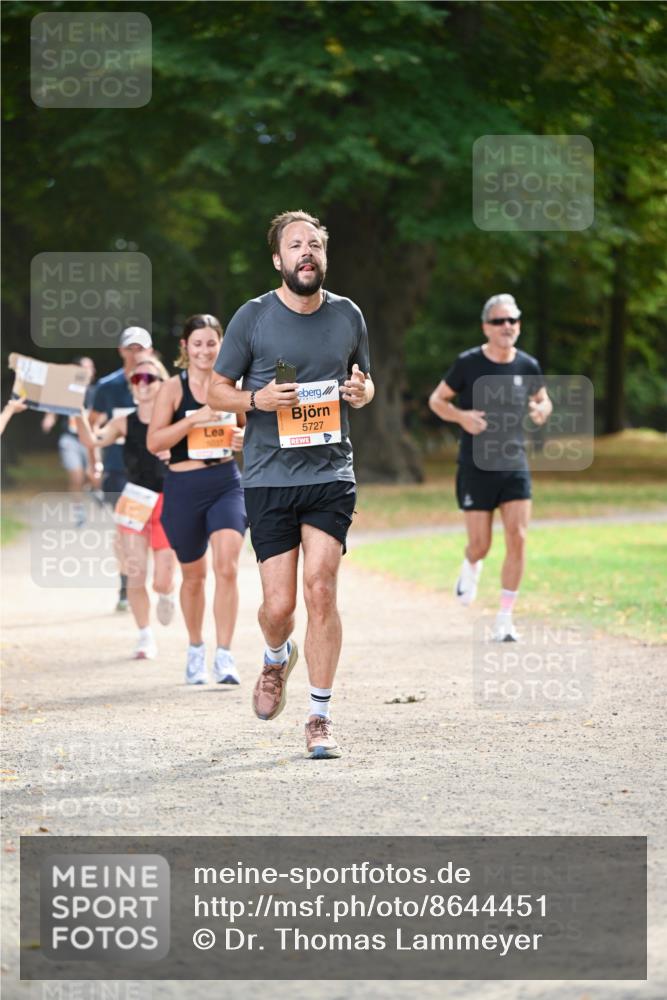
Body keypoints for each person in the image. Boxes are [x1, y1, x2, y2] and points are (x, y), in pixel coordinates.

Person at [207, 210, 374, 760]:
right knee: (278, 606)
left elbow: (363, 381)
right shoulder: (252, 318)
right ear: (278, 260)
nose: (307, 253)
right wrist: (257, 401)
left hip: (330, 471)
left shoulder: (349, 315)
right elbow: (215, 389)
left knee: (321, 588)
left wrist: (361, 394)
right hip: (268, 476)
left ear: (325, 257)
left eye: (316, 245)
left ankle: (320, 716)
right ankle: (278, 654)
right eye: (296, 246)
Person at [428, 293, 552, 641]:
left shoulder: (527, 366)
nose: (507, 326)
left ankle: (504, 619)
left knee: (519, 538)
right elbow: (437, 400)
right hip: (475, 466)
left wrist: (543, 409)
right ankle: (471, 565)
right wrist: (461, 417)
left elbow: (543, 399)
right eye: (499, 321)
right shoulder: (468, 364)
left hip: (514, 463)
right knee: (480, 545)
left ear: (519, 325)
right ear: (486, 327)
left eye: (512, 320)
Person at [147, 314, 247, 686]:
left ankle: (225, 655)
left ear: (221, 344)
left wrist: (241, 438)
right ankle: (195, 649)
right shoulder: (173, 388)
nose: (205, 350)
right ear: (185, 348)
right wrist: (194, 420)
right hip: (184, 487)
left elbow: (246, 428)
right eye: (198, 343)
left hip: (224, 481)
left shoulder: (230, 385)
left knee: (228, 567)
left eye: (212, 343)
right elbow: (155, 442)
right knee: (194, 577)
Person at [78, 358, 177, 659]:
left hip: (169, 502)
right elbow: (93, 440)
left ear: (162, 383)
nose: (143, 383)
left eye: (149, 377)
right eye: (136, 379)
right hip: (135, 500)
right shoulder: (123, 422)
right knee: (135, 573)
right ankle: (145, 636)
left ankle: (167, 592)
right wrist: (78, 416)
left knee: (161, 579)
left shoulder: (176, 419)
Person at [88, 328, 153, 610]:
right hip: (118, 468)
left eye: (141, 347)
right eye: (131, 348)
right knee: (126, 528)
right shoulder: (108, 386)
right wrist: (95, 462)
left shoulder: (161, 383)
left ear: (149, 350)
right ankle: (127, 586)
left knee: (151, 529)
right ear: (121, 350)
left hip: (153, 469)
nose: (136, 352)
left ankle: (152, 580)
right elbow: (91, 426)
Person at [41, 356, 96, 527]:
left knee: (93, 476)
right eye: (84, 367)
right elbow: (53, 406)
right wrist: (49, 418)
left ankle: (90, 488)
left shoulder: (98, 392)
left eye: (90, 367)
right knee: (76, 475)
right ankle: (79, 511)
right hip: (70, 439)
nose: (88, 370)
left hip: (90, 440)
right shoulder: (68, 390)